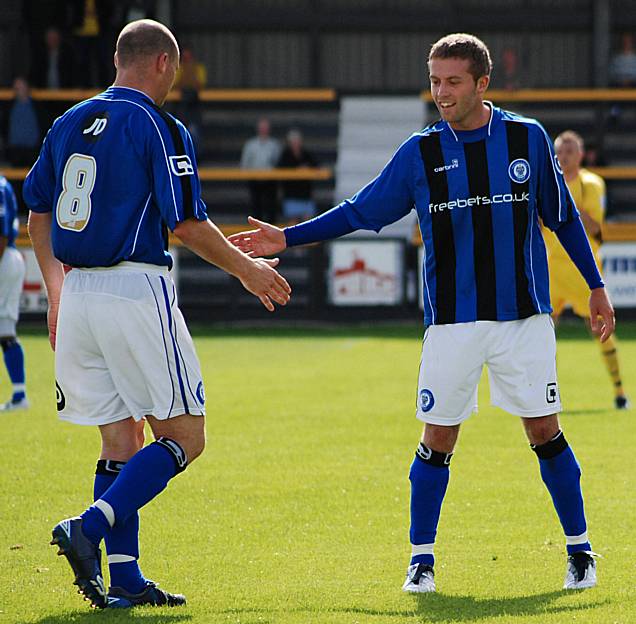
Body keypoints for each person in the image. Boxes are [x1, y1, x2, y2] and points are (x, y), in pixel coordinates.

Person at [229, 33, 615, 594]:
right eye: (435, 80)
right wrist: (288, 237)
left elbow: (563, 219)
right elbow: (360, 211)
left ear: (482, 83)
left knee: (545, 431)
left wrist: (596, 285)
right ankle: (421, 559)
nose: (441, 92)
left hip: (521, 320)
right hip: (451, 323)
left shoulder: (527, 140)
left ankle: (580, 552)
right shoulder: (420, 152)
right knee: (438, 438)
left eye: (453, 81)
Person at [24, 19, 291, 610]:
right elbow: (187, 223)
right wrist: (248, 271)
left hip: (78, 297)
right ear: (165, 64)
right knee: (186, 436)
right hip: (133, 290)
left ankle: (124, 582)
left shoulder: (68, 120)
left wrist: (55, 291)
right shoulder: (157, 123)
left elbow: (37, 211)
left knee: (119, 440)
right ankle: (88, 528)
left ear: (120, 59)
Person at [544, 130, 629, 409]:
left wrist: (567, 205)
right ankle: (547, 395)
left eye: (570, 150)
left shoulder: (591, 183)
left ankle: (619, 391)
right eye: (559, 150)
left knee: (601, 330)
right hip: (551, 270)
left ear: (580, 155)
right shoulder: (547, 183)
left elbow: (595, 228)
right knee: (541, 334)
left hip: (582, 272)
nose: (564, 155)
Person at [0, 175, 28, 412]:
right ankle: (19, 394)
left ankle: (20, 395)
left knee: (5, 331)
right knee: (5, 330)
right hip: (8, 257)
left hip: (4, 258)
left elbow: (1, 232)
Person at [240, 117, 281, 224]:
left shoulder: (274, 144)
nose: (263, 129)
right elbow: (245, 163)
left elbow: (278, 162)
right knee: (256, 207)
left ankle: (272, 231)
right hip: (255, 179)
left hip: (270, 180)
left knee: (271, 206)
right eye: (262, 127)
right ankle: (255, 230)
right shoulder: (251, 144)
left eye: (265, 127)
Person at [277, 128, 318, 224]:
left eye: (297, 141)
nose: (296, 143)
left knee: (309, 223)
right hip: (291, 194)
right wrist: (297, 169)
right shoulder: (285, 155)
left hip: (305, 195)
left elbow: (316, 166)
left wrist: (307, 168)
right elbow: (280, 169)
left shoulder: (306, 154)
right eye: (293, 141)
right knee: (293, 223)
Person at [5, 77, 42, 167]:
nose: (18, 89)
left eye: (21, 86)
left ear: (27, 87)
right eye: (16, 87)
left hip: (33, 150)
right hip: (15, 150)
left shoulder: (38, 106)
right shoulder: (9, 106)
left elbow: (43, 125)